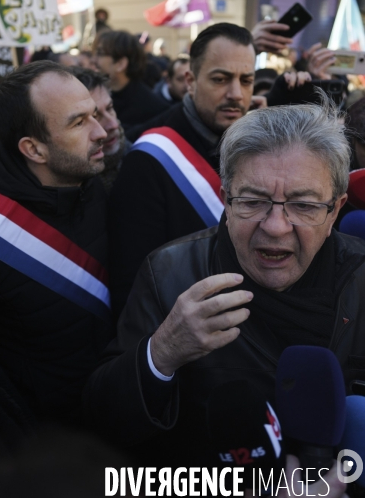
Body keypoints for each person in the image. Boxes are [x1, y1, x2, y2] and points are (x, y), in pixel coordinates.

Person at [85, 99, 365, 471]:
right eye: (253, 201)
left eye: (303, 206)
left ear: (335, 210)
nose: (276, 226)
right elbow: (103, 426)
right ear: (226, 202)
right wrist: (163, 351)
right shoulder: (170, 275)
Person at [0, 61, 112, 426]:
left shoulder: (97, 187)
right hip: (46, 451)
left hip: (115, 415)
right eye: (78, 122)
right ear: (34, 149)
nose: (101, 131)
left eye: (95, 114)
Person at [109, 22, 260, 317]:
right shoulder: (149, 159)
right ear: (190, 81)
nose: (236, 94)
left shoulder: (258, 143)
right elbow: (134, 284)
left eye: (246, 80)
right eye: (220, 79)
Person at [95, 30, 169, 138]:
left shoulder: (153, 108)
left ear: (120, 64)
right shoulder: (98, 96)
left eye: (100, 53)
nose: (94, 60)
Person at [70, 66, 131, 194]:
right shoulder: (70, 184)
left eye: (109, 108)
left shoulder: (141, 159)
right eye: (95, 116)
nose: (113, 124)